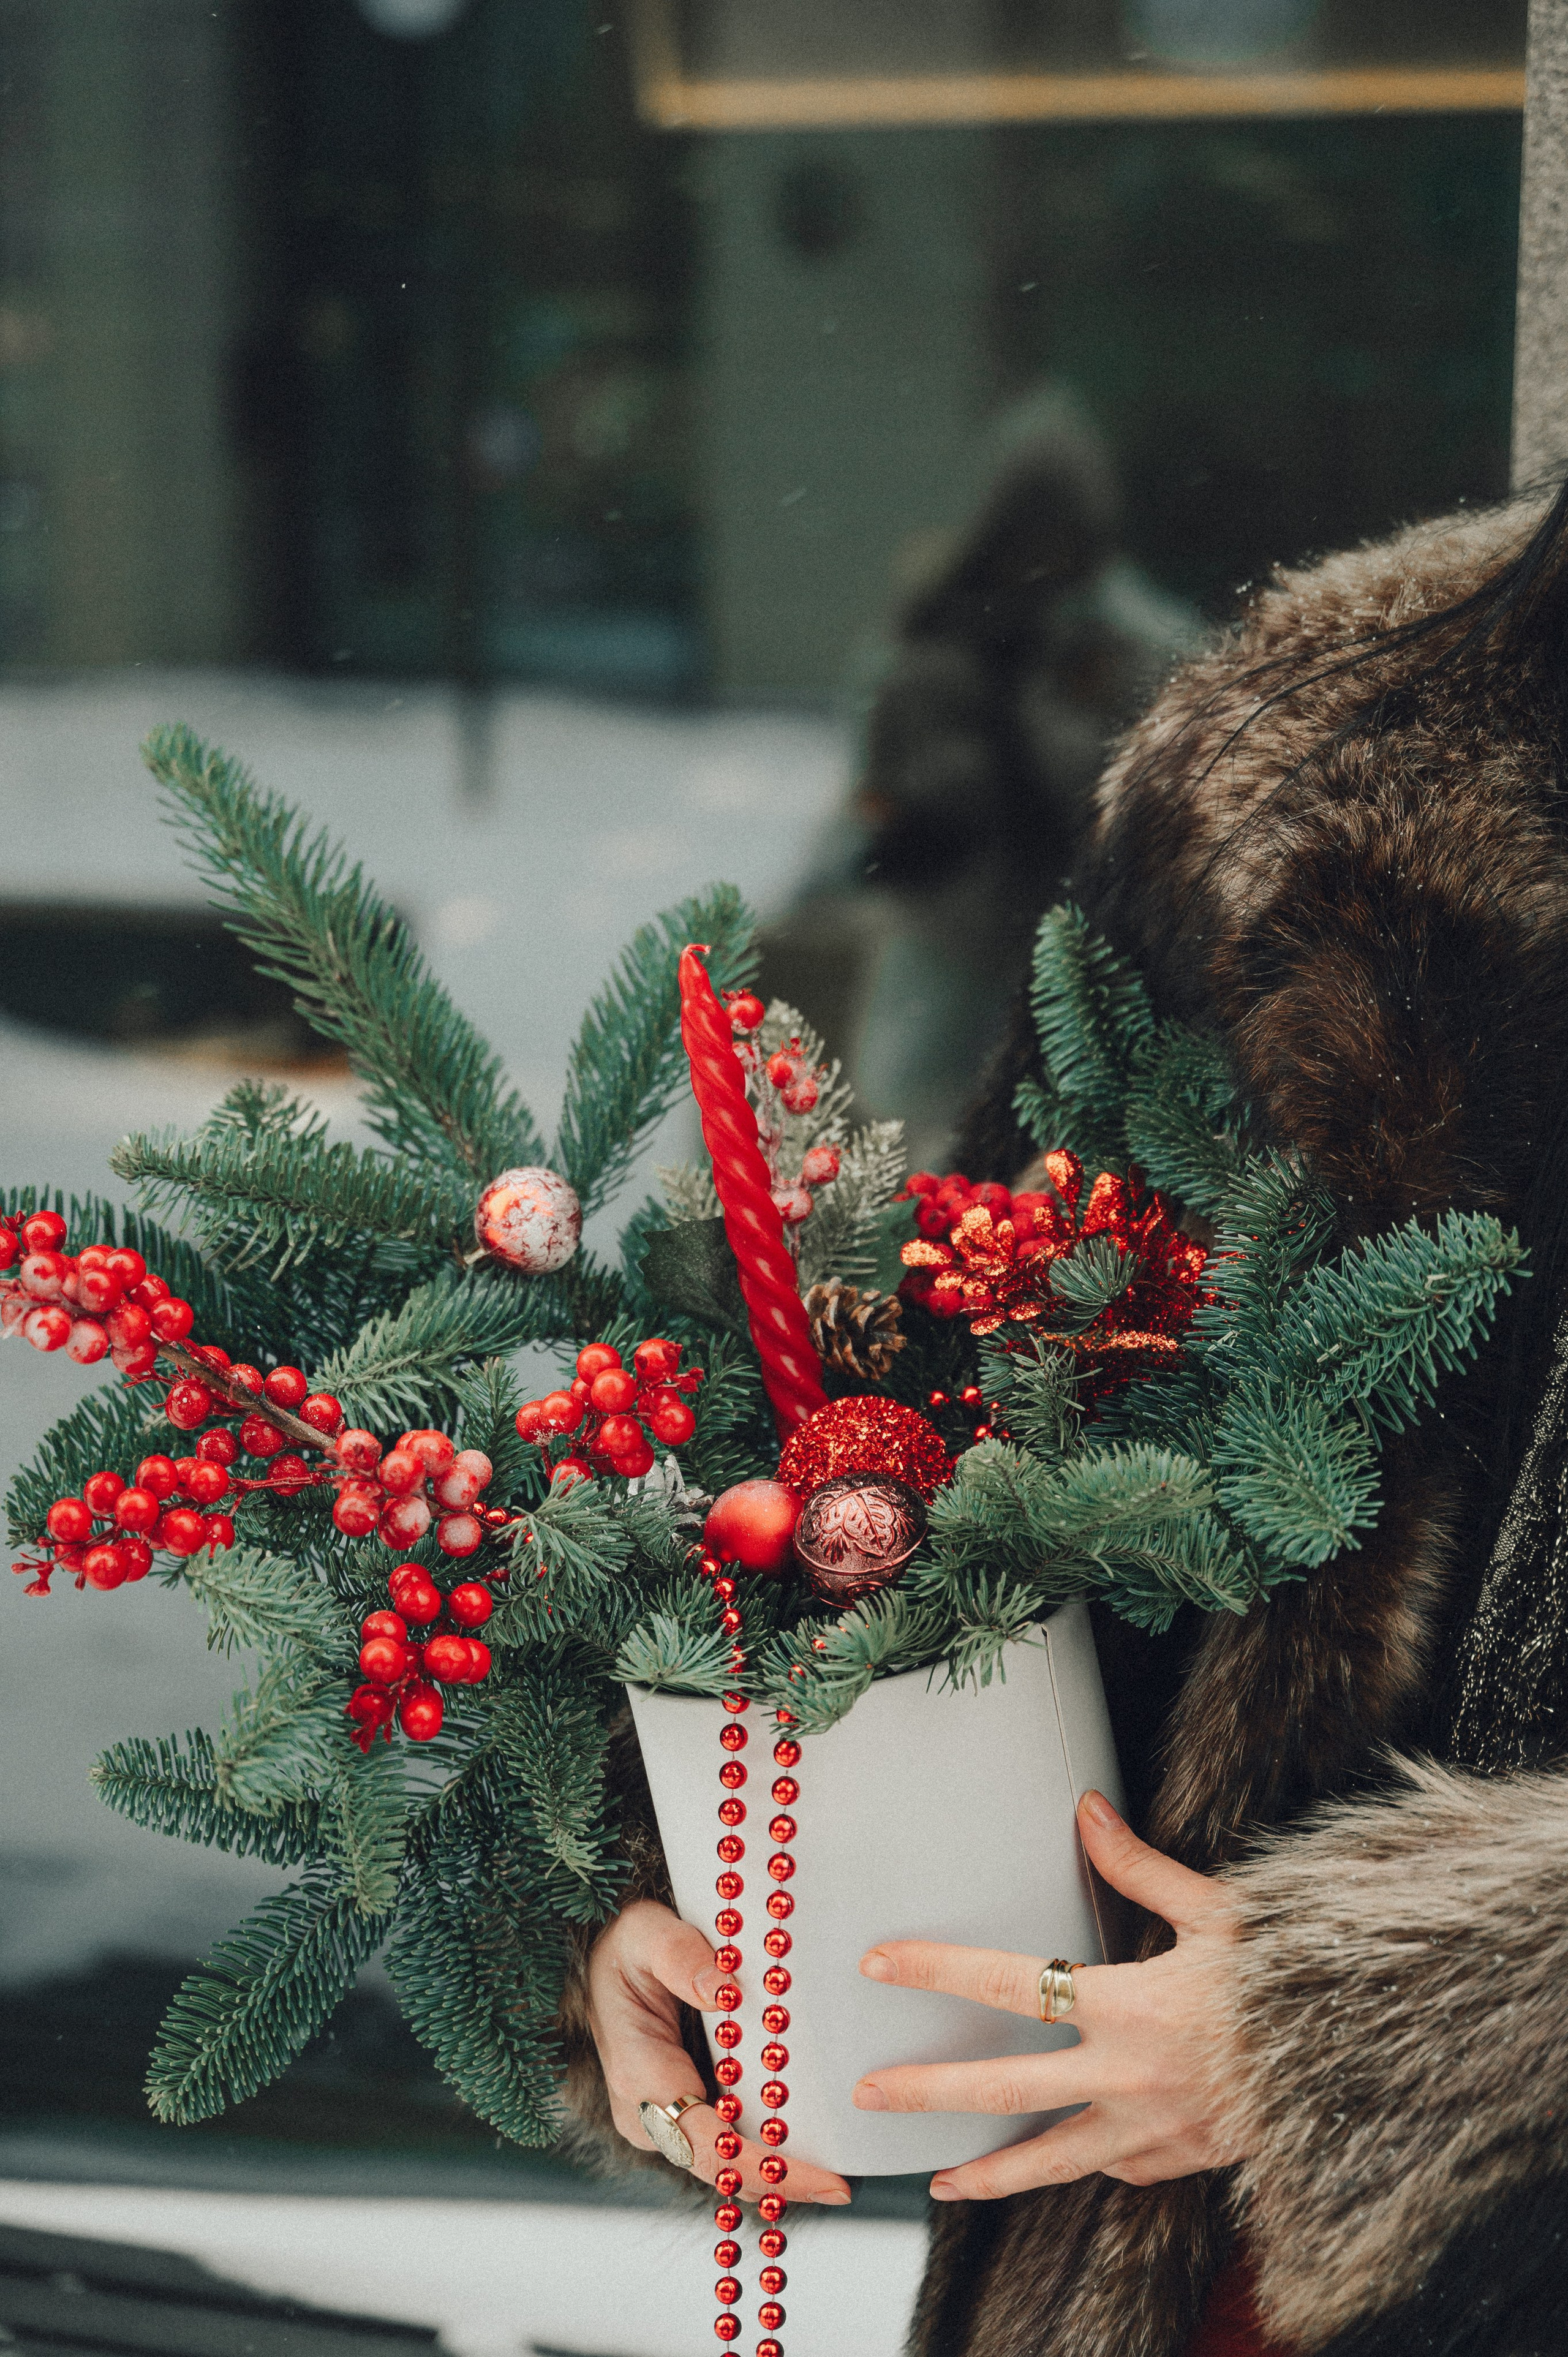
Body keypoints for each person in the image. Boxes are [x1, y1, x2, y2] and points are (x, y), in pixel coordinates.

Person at [565, 483, 1568, 2356]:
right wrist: (705, 1869)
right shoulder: (1319, 761)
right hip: (1179, 2255)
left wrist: (1367, 2027)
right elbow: (963, 1428)